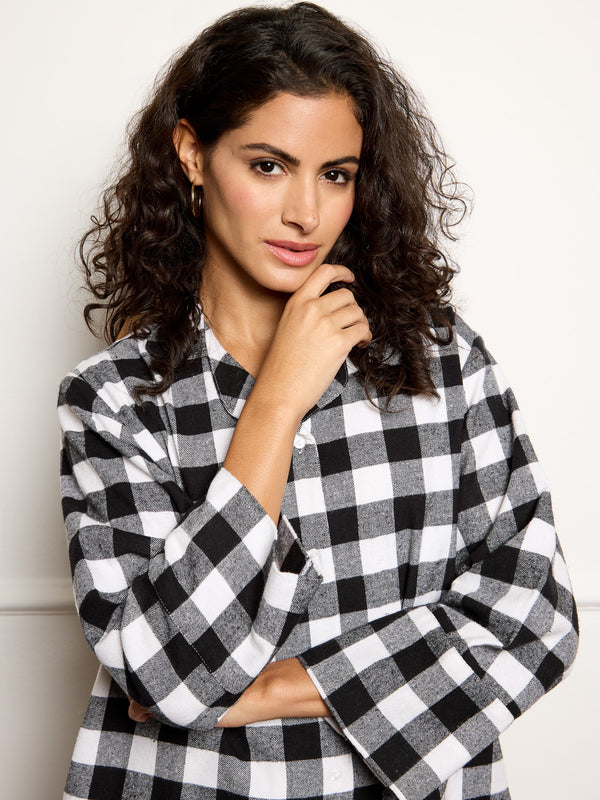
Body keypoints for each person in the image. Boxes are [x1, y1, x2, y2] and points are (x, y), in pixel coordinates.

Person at [58, 3, 578, 799]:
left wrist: (273, 691)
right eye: (269, 165)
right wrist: (276, 403)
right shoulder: (114, 401)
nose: (307, 213)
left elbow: (534, 616)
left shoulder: (439, 362)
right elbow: (163, 674)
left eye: (335, 174)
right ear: (192, 154)